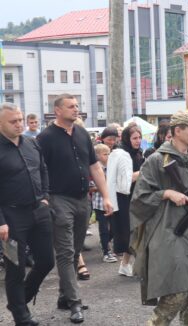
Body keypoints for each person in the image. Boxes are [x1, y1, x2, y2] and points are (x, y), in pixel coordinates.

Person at [130, 110, 188, 326]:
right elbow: (139, 199)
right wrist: (166, 193)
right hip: (169, 235)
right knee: (175, 295)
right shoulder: (156, 161)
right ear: (177, 131)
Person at [37, 94, 113, 324]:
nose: (76, 109)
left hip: (82, 199)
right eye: (70, 106)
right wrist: (44, 199)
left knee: (75, 248)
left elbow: (95, 167)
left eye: (77, 105)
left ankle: (64, 296)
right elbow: (38, 171)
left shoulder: (81, 133)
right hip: (58, 199)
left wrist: (106, 196)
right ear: (57, 110)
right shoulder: (45, 138)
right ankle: (74, 302)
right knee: (65, 252)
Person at [0, 103, 55, 326]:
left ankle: (19, 301)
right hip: (11, 218)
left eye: (20, 119)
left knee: (46, 261)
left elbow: (43, 170)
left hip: (38, 211)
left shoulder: (31, 143)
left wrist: (45, 197)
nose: (19, 124)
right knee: (15, 267)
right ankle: (21, 317)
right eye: (13, 121)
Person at [107, 126, 144, 277]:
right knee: (131, 233)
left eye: (139, 137)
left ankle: (125, 264)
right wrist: (144, 172)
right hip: (124, 198)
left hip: (136, 196)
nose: (138, 141)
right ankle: (131, 265)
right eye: (134, 138)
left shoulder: (137, 153)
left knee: (136, 232)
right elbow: (124, 183)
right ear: (127, 139)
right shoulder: (121, 154)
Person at [92, 144, 117, 263]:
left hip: (112, 203)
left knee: (114, 227)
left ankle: (106, 242)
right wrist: (103, 186)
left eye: (109, 153)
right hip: (99, 203)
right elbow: (91, 187)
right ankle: (106, 251)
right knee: (103, 229)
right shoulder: (95, 169)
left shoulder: (112, 167)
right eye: (105, 154)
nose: (108, 156)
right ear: (97, 156)